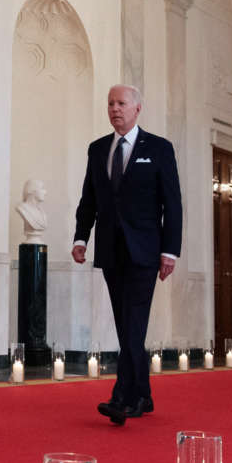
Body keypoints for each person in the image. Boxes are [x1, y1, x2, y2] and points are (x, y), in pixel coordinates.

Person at [72, 84, 182, 425]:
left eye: (121, 103)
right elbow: (89, 199)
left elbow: (172, 204)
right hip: (110, 250)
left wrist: (170, 251)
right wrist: (80, 238)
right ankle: (144, 394)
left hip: (145, 252)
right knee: (127, 326)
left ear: (137, 109)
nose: (114, 109)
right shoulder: (97, 149)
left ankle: (124, 399)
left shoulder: (159, 149)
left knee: (132, 323)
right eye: (110, 103)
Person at [15, 179, 48, 244]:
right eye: (41, 188)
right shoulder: (21, 208)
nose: (45, 192)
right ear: (31, 191)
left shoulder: (42, 212)